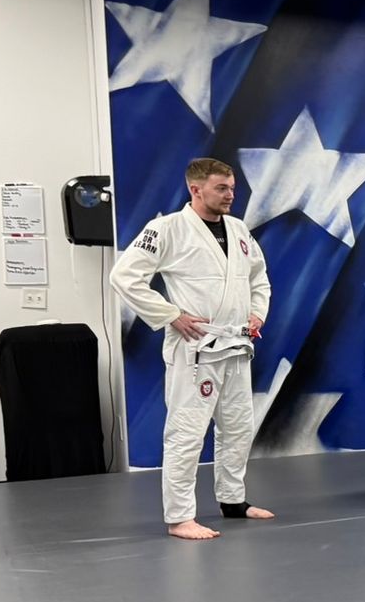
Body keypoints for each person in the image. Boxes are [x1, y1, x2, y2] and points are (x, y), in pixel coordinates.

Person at [109, 156, 273, 541]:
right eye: (222, 188)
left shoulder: (238, 229)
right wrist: (170, 315)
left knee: (238, 428)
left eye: (232, 188)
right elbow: (124, 276)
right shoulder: (167, 229)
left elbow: (259, 278)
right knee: (186, 432)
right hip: (196, 348)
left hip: (236, 345)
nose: (230, 195)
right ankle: (180, 516)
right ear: (195, 189)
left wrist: (256, 314)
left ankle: (232, 500)